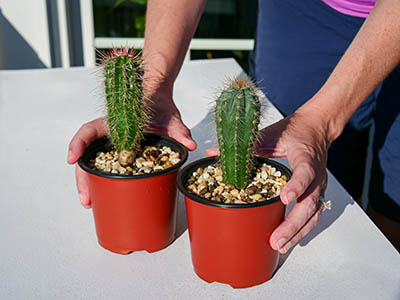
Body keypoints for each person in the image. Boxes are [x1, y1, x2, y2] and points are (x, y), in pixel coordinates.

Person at [68, 0, 400, 253]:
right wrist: (151, 91)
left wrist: (322, 121)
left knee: (393, 204)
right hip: (307, 13)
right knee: (314, 179)